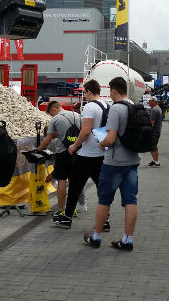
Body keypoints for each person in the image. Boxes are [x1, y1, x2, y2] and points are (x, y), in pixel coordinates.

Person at [84, 77, 140, 251]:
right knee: (131, 200)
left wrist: (101, 143)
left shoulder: (116, 109)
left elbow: (111, 139)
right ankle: (127, 239)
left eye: (110, 91)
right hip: (132, 160)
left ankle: (96, 236)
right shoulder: (134, 106)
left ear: (114, 90)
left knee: (104, 200)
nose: (110, 94)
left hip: (115, 162)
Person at [54, 79, 109, 230]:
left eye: (85, 92)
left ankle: (67, 218)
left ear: (89, 92)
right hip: (101, 154)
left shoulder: (90, 107)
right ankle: (105, 221)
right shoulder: (106, 105)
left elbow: (85, 131)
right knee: (102, 188)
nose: (85, 95)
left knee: (75, 187)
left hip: (86, 155)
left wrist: (74, 146)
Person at [36, 101, 82, 219]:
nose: (52, 116)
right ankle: (72, 209)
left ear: (54, 110)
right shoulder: (76, 115)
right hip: (77, 151)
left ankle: (61, 210)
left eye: (51, 114)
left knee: (62, 180)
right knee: (73, 181)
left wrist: (38, 150)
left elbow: (48, 139)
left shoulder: (56, 119)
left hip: (63, 153)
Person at [148, 96, 163, 167]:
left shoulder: (154, 110)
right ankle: (154, 160)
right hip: (157, 130)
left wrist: (148, 131)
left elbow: (152, 122)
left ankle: (157, 161)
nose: (149, 102)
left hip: (154, 131)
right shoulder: (158, 108)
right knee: (152, 146)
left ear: (154, 101)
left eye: (150, 100)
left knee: (153, 146)